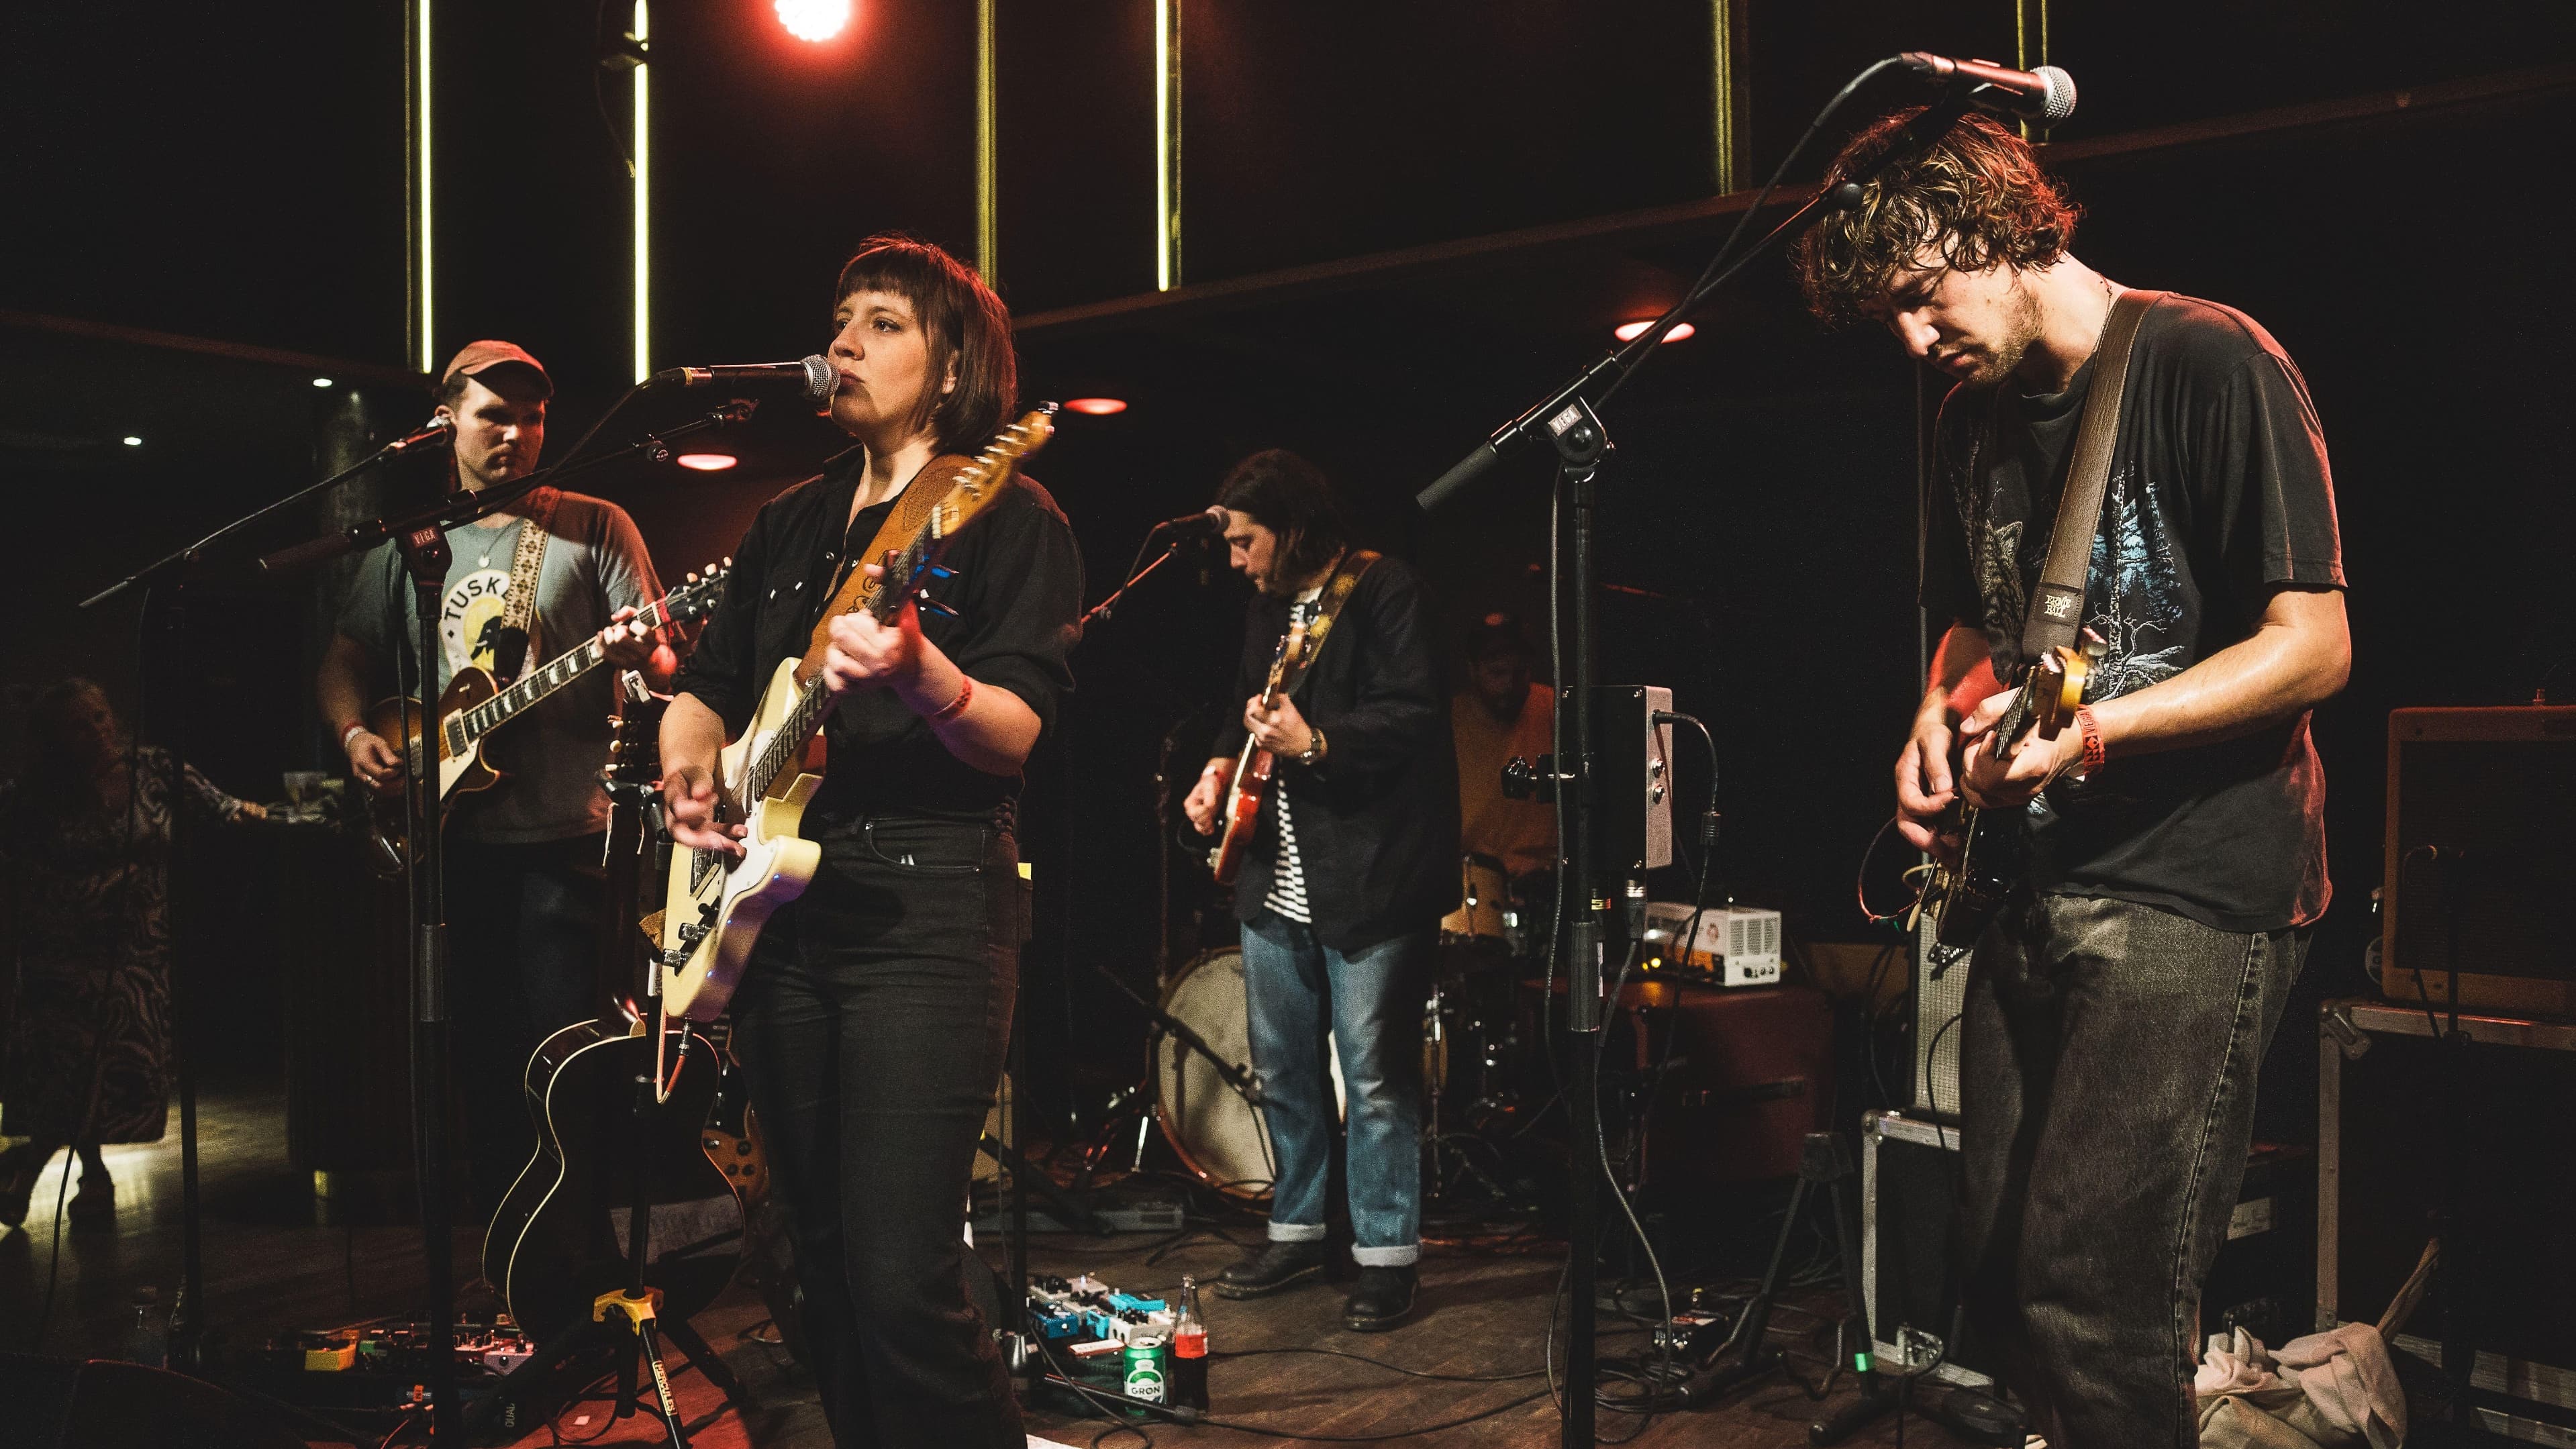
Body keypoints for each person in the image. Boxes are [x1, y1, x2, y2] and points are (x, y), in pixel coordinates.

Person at [1795, 112, 2349, 1446]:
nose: (1913, 341)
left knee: (2093, 1296)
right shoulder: (1965, 421)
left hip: (2191, 887)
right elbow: (1980, 625)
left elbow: (2312, 643)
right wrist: (1936, 710)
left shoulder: (2205, 360)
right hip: (2033, 880)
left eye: (1921, 298)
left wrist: (2094, 734)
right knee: (1993, 1265)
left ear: (1992, 227)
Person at [659, 234, 1080, 1447]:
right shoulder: (787, 522)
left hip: (927, 911)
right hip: (779, 914)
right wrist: (696, 768)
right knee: (816, 1267)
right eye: (840, 317)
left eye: (882, 321)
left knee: (902, 1276)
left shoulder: (1002, 504)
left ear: (951, 368)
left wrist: (920, 671)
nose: (842, 340)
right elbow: (710, 685)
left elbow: (1013, 731)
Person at [314, 340, 668, 1217]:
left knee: (560, 1052)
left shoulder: (594, 525)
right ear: (447, 424)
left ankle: (571, 1239)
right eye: (494, 415)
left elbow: (661, 663)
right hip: (455, 840)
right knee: (474, 1054)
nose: (516, 432)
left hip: (564, 839)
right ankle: (500, 1251)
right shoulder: (412, 548)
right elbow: (343, 659)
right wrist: (357, 731)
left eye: (532, 416)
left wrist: (641, 655)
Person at [1181, 449, 1458, 1332]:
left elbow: (1413, 709)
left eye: (1245, 540)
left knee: (1375, 1077)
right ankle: (1297, 1227)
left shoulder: (1385, 589)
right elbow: (1240, 705)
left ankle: (1385, 1256)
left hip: (1371, 876)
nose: (1236, 560)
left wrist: (1316, 740)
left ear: (1292, 528)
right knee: (1285, 1066)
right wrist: (1218, 766)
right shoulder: (1266, 608)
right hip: (1275, 875)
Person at [0, 680, 265, 1226]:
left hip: (137, 960)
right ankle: (73, 1177)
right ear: (53, 740)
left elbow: (225, 807)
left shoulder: (153, 769)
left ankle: (49, 1170)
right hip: (64, 963)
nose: (98, 730)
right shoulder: (33, 796)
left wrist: (294, 815)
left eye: (100, 717)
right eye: (80, 724)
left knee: (122, 1080)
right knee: (70, 1078)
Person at [1450, 610, 1556, 881]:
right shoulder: (1450, 721)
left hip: (1545, 880)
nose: (1510, 685)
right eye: (1497, 673)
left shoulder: (1553, 709)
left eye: (1519, 672)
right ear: (1472, 670)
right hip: (1472, 880)